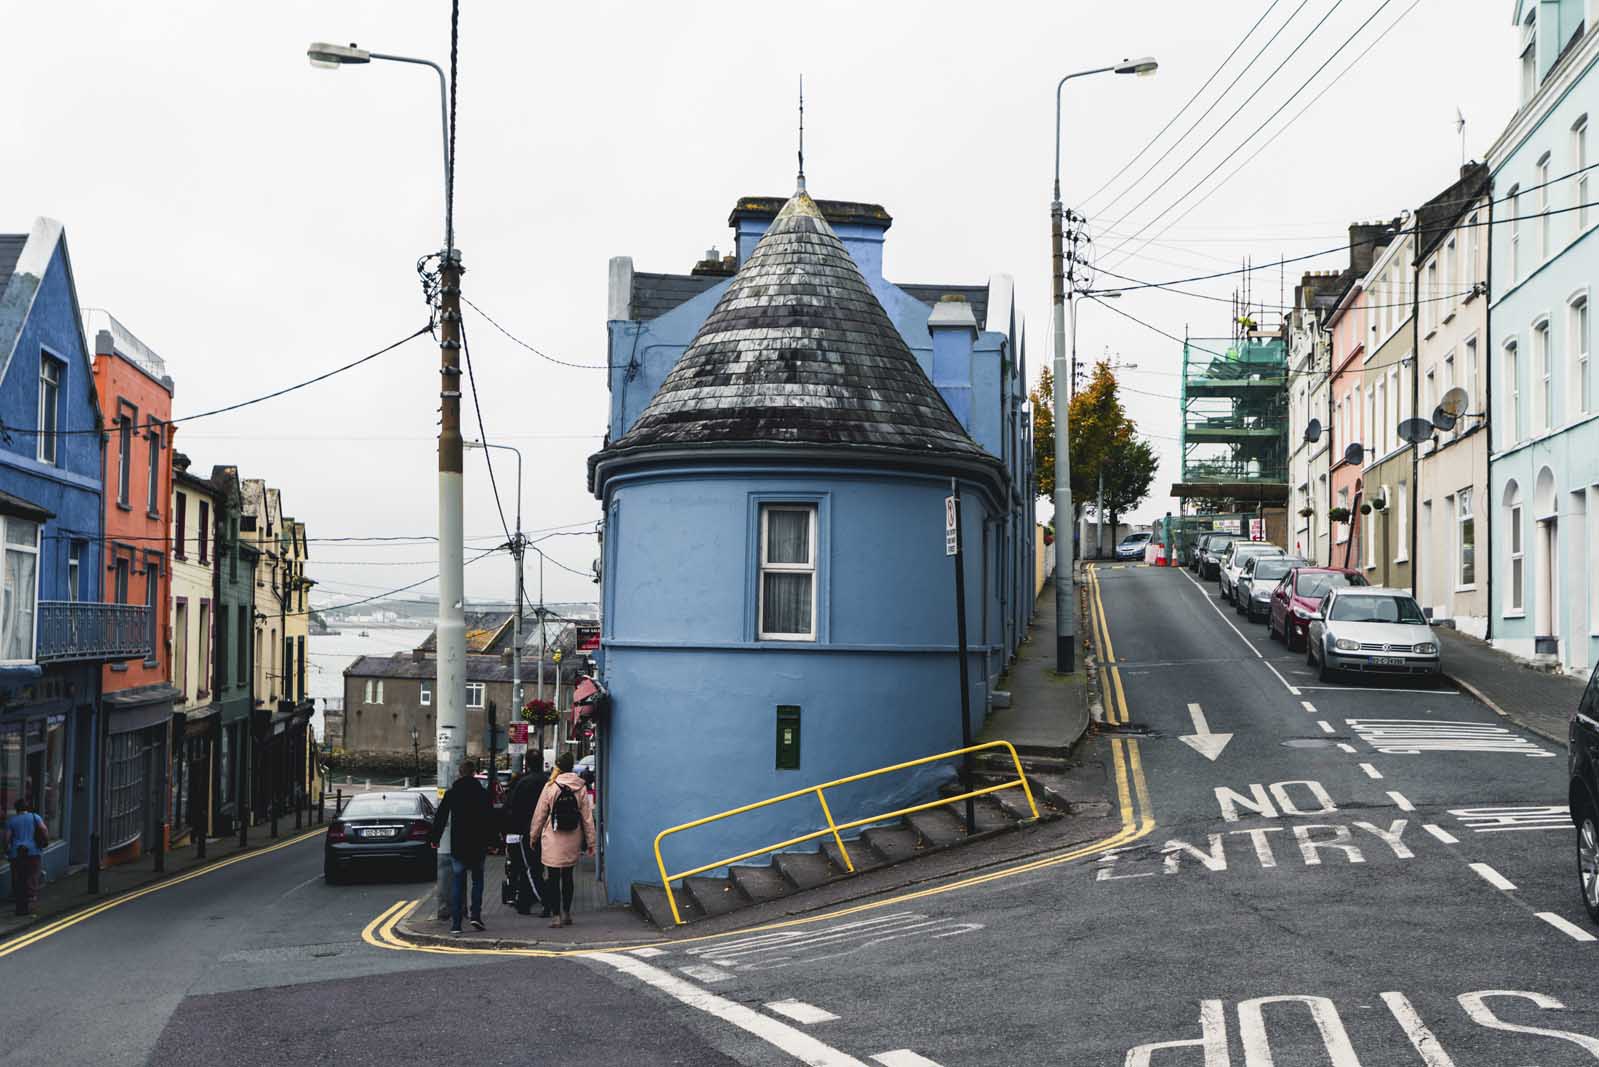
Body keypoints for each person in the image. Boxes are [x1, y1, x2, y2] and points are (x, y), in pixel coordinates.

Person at [529, 751, 596, 928]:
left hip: (552, 838)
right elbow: (587, 818)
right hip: (573, 837)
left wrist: (533, 836)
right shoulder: (580, 787)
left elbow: (539, 815)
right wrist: (591, 842)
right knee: (568, 878)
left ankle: (556, 916)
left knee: (553, 878)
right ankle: (567, 913)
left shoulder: (550, 786)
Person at [429, 758, 494, 935]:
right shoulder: (482, 793)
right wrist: (494, 842)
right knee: (478, 881)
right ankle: (476, 916)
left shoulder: (452, 793)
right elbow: (490, 820)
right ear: (474, 773)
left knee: (458, 882)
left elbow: (441, 817)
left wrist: (435, 838)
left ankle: (456, 923)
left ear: (460, 772)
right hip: (478, 845)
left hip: (458, 845)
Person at [505, 764, 549, 917]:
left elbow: (513, 808)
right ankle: (534, 900)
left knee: (528, 868)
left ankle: (541, 901)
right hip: (548, 831)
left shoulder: (523, 784)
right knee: (541, 867)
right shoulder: (548, 781)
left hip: (526, 831)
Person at [4, 799, 47, 916]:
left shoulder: (11, 820)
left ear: (16, 809)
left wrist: (6, 849)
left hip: (16, 853)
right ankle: (30, 898)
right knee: (32, 874)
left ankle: (18, 897)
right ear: (27, 807)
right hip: (33, 851)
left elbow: (7, 838)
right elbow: (43, 829)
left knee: (17, 876)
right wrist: (44, 840)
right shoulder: (35, 817)